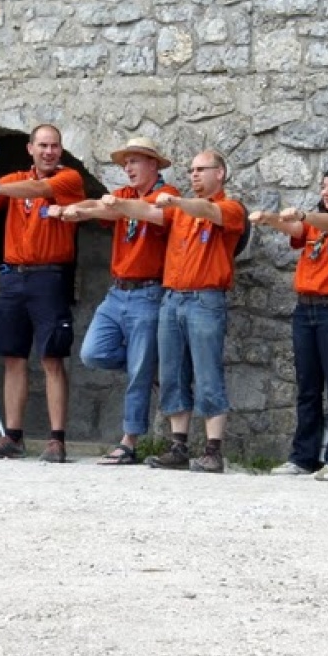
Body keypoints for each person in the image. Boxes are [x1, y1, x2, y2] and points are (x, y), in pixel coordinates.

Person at [103, 149, 246, 473]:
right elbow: (147, 212)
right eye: (191, 169)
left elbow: (208, 210)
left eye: (201, 169)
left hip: (205, 299)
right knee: (172, 374)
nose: (194, 174)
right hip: (172, 298)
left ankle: (213, 450)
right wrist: (118, 205)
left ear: (220, 173)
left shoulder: (230, 208)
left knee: (208, 373)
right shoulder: (179, 211)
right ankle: (178, 445)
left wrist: (178, 203)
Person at [0, 124, 85, 463]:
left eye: (54, 146)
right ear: (30, 148)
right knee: (13, 357)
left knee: (51, 358)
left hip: (49, 276)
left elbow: (37, 187)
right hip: (13, 276)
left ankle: (57, 439)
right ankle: (12, 435)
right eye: (43, 145)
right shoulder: (14, 178)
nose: (49, 152)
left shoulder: (68, 178)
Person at [59, 137, 178, 466]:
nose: (127, 168)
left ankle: (129, 440)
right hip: (117, 292)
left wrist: (112, 206)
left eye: (134, 161)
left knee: (138, 373)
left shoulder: (167, 196)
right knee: (93, 352)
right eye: (125, 163)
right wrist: (75, 210)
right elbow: (100, 206)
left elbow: (153, 214)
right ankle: (149, 365)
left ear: (153, 165)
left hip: (148, 293)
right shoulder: (122, 196)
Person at [253, 165, 328, 482]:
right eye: (323, 186)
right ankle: (303, 457)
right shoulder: (313, 226)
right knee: (307, 387)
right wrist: (270, 219)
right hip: (306, 310)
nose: (326, 192)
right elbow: (295, 231)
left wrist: (304, 216)